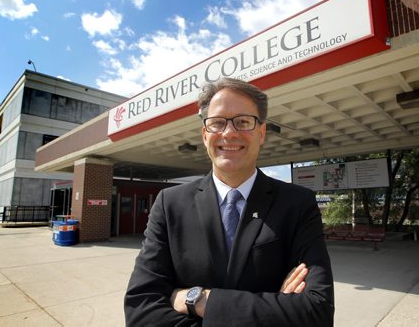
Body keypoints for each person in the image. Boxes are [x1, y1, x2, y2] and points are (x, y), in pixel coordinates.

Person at [124, 77, 334, 326]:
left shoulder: (298, 204)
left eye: (243, 122)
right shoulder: (170, 204)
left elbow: (316, 312)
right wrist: (275, 308)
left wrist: (199, 300)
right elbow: (141, 310)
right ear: (205, 135)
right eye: (217, 123)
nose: (229, 133)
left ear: (262, 132)